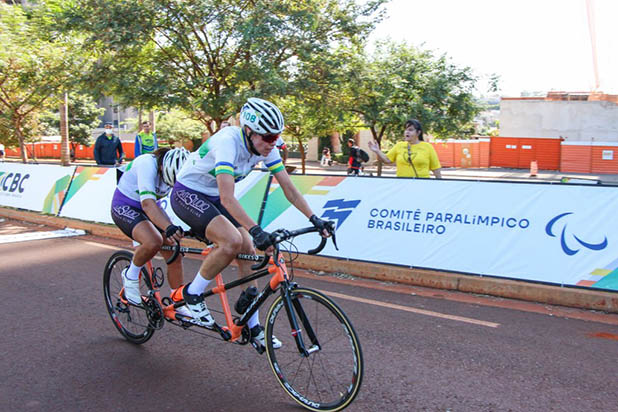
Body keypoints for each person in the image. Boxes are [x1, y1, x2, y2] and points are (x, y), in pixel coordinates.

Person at [169, 97, 331, 348]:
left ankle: (252, 325)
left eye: (277, 137)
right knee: (232, 240)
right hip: (188, 194)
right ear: (248, 131)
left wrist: (315, 218)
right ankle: (192, 293)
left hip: (213, 197)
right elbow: (227, 197)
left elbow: (289, 189)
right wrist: (256, 230)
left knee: (248, 248)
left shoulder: (267, 147)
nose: (273, 142)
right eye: (268, 137)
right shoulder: (227, 142)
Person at [112, 147, 190, 311]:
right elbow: (147, 204)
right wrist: (167, 227)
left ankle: (178, 304)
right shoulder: (147, 163)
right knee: (153, 241)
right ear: (163, 168)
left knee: (175, 251)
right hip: (126, 207)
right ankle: (130, 275)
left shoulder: (180, 171)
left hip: (151, 210)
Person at [368, 119, 442, 178]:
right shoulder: (399, 145)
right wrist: (377, 151)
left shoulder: (427, 147)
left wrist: (440, 185)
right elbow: (387, 160)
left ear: (418, 132)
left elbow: (436, 168)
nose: (407, 132)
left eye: (410, 130)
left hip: (422, 185)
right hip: (402, 185)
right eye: (406, 130)